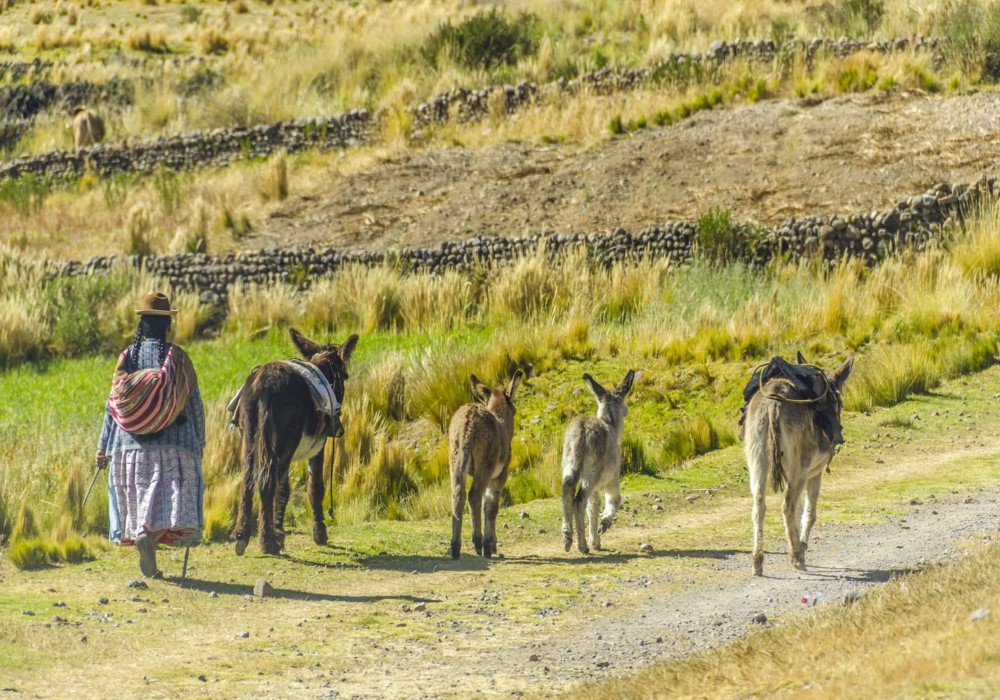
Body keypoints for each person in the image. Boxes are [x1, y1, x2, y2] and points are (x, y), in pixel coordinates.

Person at [95, 292, 205, 578]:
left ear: (141, 323)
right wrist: (200, 443)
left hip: (129, 446)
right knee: (171, 504)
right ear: (167, 325)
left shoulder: (126, 358)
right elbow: (194, 406)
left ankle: (146, 544)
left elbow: (112, 406)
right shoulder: (177, 358)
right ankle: (149, 536)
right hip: (175, 444)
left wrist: (102, 448)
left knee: (142, 499)